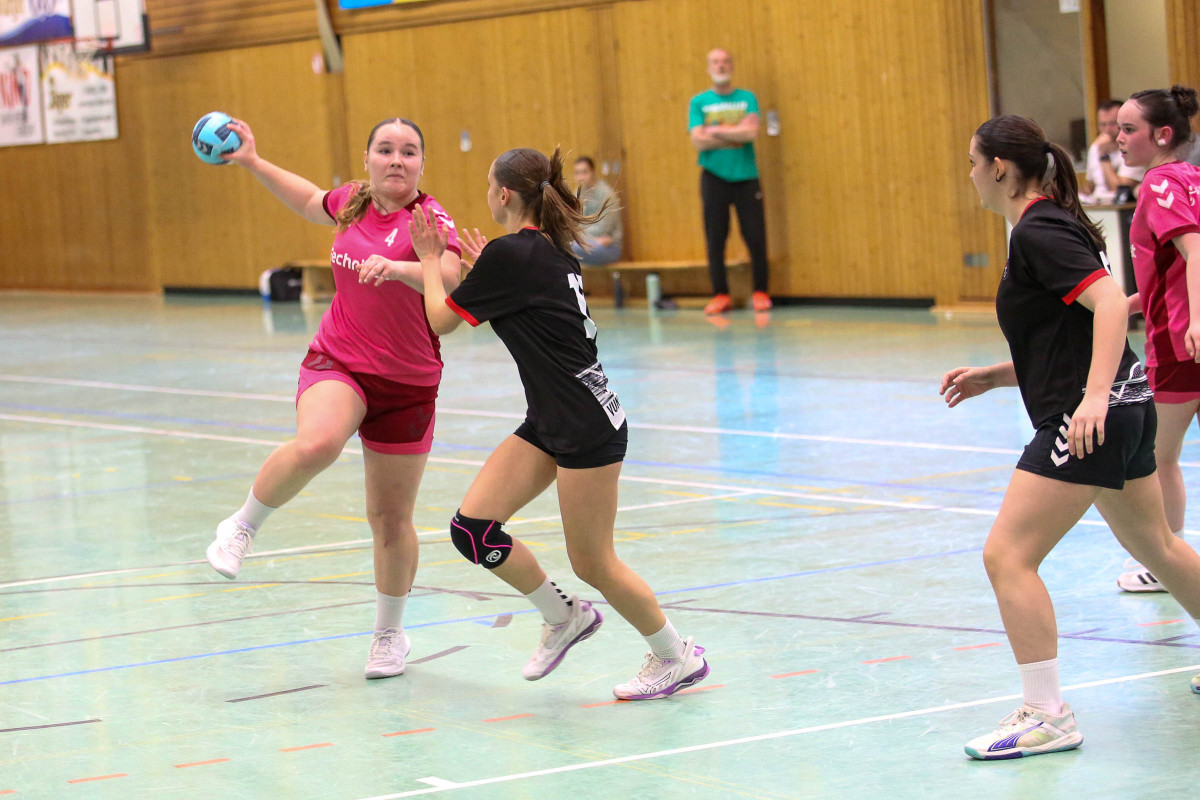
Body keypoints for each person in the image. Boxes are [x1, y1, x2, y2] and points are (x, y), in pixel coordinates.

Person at [941, 114, 1200, 760]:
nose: (970, 175)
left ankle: (1046, 713)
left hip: (1091, 419)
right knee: (1159, 546)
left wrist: (1091, 398)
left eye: (973, 162)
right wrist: (998, 376)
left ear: (1000, 168)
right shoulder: (1050, 225)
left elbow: (1110, 304)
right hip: (1128, 407)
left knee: (1008, 556)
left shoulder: (1039, 230)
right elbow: (1068, 332)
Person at [408, 146, 709, 700]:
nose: (487, 193)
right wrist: (484, 269)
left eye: (489, 185)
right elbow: (521, 298)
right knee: (473, 530)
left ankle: (676, 656)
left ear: (503, 194)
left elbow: (439, 321)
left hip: (584, 424)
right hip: (552, 418)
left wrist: (430, 261)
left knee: (593, 561)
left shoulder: (513, 255)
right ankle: (563, 615)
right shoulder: (546, 252)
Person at [203, 118, 462, 680]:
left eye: (409, 152)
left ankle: (389, 635)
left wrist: (399, 267)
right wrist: (252, 161)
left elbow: (450, 273)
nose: (397, 160)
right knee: (318, 443)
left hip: (408, 384)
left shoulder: (430, 219)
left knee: (390, 519)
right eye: (386, 150)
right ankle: (242, 526)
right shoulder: (352, 202)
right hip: (339, 361)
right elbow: (308, 199)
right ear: (368, 159)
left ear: (422, 163)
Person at [1112, 86, 1200, 593]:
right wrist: (1121, 308)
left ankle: (1167, 564)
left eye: (1129, 129)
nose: (1118, 138)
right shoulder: (1192, 178)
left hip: (1177, 346)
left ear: (1162, 134)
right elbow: (1168, 276)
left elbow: (1195, 252)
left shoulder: (1159, 184)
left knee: (1157, 457)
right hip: (1183, 334)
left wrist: (1195, 321)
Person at [688, 48, 771, 315]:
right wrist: (734, 133)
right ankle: (720, 294)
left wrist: (715, 130)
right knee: (715, 238)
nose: (721, 66)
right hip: (713, 178)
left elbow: (750, 133)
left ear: (731, 66)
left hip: (746, 177)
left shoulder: (747, 98)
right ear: (708, 68)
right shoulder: (699, 102)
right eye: (715, 62)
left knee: (755, 236)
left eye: (725, 61)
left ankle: (761, 292)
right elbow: (698, 141)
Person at [1082, 99, 1145, 205]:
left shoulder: (1134, 147)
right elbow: (1092, 185)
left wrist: (1104, 157)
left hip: (1120, 207)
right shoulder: (1096, 146)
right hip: (1097, 205)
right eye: (1103, 124)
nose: (1107, 130)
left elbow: (1119, 189)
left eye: (1112, 124)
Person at [570, 156, 622, 266]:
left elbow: (604, 228)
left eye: (584, 172)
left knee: (573, 248)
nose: (580, 177)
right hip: (586, 243)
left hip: (608, 247)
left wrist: (580, 236)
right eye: (577, 173)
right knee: (565, 247)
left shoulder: (606, 194)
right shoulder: (577, 194)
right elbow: (574, 225)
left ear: (593, 172)